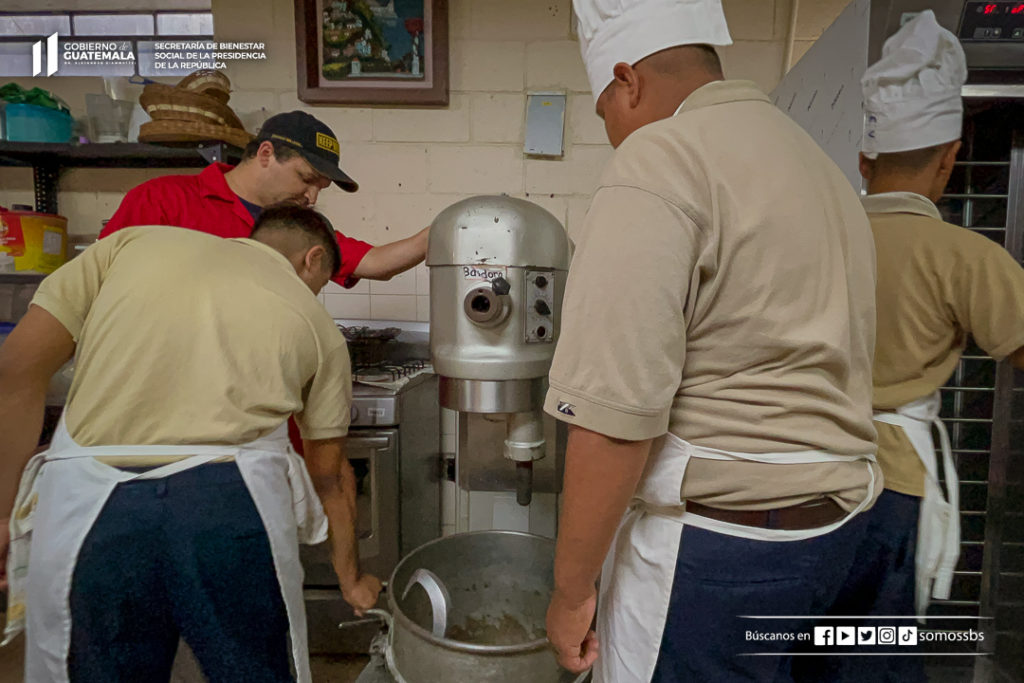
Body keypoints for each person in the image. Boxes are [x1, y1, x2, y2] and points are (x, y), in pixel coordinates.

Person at [543, 1, 881, 681]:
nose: (610, 130)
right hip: (837, 535)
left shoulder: (660, 157)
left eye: (603, 108)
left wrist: (570, 591)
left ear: (627, 80)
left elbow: (614, 420)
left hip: (720, 555)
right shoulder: (816, 162)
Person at [0, 206, 382, 683]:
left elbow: (16, 371)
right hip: (226, 506)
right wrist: (353, 581)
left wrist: (2, 512)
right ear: (313, 258)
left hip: (89, 509)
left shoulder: (129, 245)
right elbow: (329, 475)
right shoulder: (318, 326)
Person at [812, 12, 1024, 682]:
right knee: (874, 658)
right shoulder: (963, 256)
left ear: (863, 161)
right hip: (893, 486)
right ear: (951, 156)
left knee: (805, 649)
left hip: (800, 474)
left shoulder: (813, 240)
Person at [101, 110, 429, 288]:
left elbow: (376, 264)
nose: (311, 197)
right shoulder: (163, 199)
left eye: (321, 187)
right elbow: (101, 281)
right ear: (266, 153)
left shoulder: (299, 229)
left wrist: (454, 226)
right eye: (306, 179)